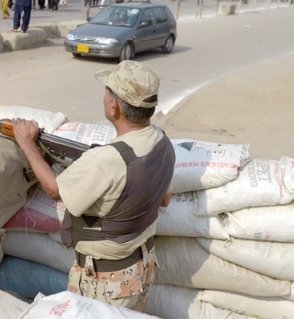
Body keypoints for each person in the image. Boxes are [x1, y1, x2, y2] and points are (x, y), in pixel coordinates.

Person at [11, 60, 174, 312]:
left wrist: (28, 145)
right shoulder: (162, 141)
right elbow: (164, 200)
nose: (105, 96)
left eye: (107, 91)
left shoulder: (108, 159)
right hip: (141, 266)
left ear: (114, 106)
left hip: (105, 282)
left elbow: (55, 190)